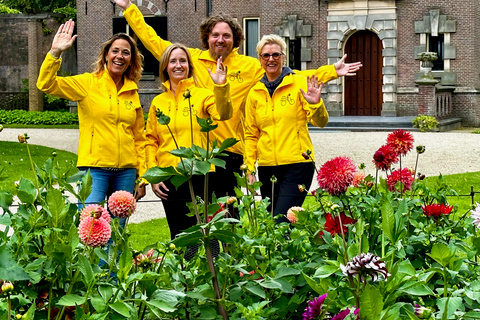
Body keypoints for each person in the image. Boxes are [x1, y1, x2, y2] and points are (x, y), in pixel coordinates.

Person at [112, 0, 362, 200]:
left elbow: (292, 76)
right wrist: (130, 10)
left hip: (231, 152)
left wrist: (331, 72)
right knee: (203, 214)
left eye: (227, 36)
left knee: (229, 214)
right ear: (206, 37)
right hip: (202, 153)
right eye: (215, 35)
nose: (220, 40)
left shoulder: (249, 66)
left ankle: (230, 260)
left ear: (235, 40)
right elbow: (156, 43)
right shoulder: (194, 60)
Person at [37, 20, 147, 226]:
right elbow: (45, 84)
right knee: (91, 227)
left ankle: (112, 261)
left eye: (126, 52)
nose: (120, 56)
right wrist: (55, 53)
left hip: (126, 172)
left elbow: (139, 137)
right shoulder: (87, 83)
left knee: (117, 231)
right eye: (115, 51)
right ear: (106, 55)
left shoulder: (132, 92)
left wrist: (141, 178)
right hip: (94, 170)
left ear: (131, 59)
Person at [145, 43, 232, 244]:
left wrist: (220, 86)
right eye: (173, 61)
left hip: (199, 173)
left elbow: (223, 114)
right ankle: (185, 271)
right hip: (169, 177)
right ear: (165, 67)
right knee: (179, 234)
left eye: (182, 61)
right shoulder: (158, 102)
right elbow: (151, 140)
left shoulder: (203, 95)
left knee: (206, 231)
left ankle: (211, 271)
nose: (178, 65)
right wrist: (153, 174)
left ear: (189, 66)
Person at [245, 35, 326, 223]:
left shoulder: (299, 84)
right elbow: (251, 134)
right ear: (260, 60)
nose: (270, 59)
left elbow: (321, 122)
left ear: (283, 57)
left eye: (275, 54)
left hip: (297, 163)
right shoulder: (254, 93)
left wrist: (316, 104)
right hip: (267, 168)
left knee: (281, 221)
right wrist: (249, 169)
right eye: (265, 56)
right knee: (270, 224)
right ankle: (291, 253)